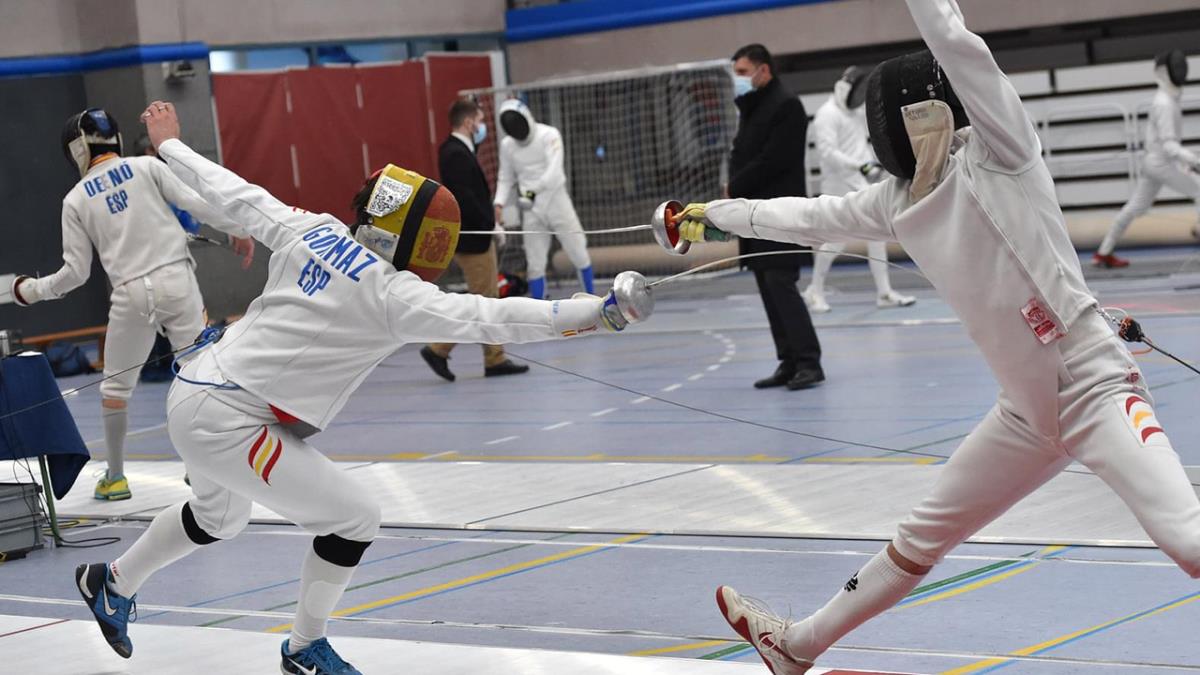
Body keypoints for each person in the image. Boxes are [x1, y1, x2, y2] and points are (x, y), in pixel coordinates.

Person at [675, 2, 1200, 672]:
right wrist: (710, 216)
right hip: (1024, 414)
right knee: (918, 537)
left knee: (1189, 543)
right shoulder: (895, 201)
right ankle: (794, 647)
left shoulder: (1002, 151)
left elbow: (952, 35)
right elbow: (803, 216)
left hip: (1095, 387)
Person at [74, 100, 650, 675]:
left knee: (219, 517)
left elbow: (236, 193)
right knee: (355, 518)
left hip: (196, 388)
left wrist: (169, 145)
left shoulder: (314, 229)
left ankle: (111, 582)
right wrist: (596, 314)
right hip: (227, 419)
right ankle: (303, 649)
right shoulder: (392, 295)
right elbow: (492, 317)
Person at [10, 108, 254, 502]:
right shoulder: (147, 167)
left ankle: (116, 477)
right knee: (195, 374)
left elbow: (75, 274)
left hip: (131, 294)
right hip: (178, 282)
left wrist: (31, 290)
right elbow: (196, 203)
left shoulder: (75, 199)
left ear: (75, 151)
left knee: (115, 389)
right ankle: (200, 469)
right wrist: (238, 229)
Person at [728, 44, 824, 390]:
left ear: (764, 70)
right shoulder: (751, 106)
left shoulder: (786, 105)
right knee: (766, 285)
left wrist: (734, 185)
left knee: (781, 283)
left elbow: (774, 159)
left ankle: (809, 362)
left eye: (742, 72)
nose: (738, 79)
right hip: (753, 214)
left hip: (779, 213)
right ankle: (788, 360)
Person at [420, 97, 529, 381]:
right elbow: (466, 199)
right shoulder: (454, 153)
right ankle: (439, 349)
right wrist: (490, 224)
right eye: (480, 121)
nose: (482, 127)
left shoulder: (462, 149)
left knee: (487, 299)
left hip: (479, 236)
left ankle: (494, 357)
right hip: (473, 239)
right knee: (483, 302)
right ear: (469, 123)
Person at [804, 67, 916, 313]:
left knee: (878, 235)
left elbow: (860, 146)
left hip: (860, 182)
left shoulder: (854, 113)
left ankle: (884, 293)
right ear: (844, 88)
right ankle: (814, 291)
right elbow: (828, 152)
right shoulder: (826, 114)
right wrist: (858, 165)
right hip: (838, 185)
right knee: (836, 242)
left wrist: (873, 165)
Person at [1095, 50, 1200, 268]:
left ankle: (1104, 252)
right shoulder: (1164, 103)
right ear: (1165, 72)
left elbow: (1166, 145)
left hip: (1156, 163)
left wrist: (1188, 163)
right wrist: (1194, 161)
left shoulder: (1167, 100)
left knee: (1135, 207)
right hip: (1160, 163)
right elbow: (1169, 145)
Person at [493, 98, 594, 300]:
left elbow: (553, 173)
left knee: (578, 253)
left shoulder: (549, 135)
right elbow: (505, 176)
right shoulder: (508, 145)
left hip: (556, 202)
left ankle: (591, 301)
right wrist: (499, 203)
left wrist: (530, 191)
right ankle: (539, 309)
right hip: (531, 209)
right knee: (534, 263)